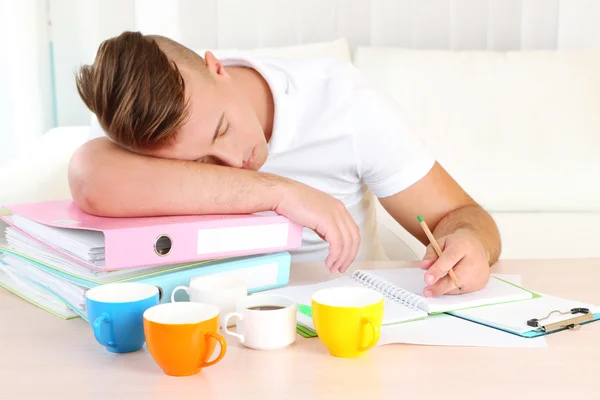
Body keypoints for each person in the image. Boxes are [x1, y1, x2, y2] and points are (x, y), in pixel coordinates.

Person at [69, 31, 501, 298]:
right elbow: (90, 178)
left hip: (343, 323)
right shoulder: (139, 123)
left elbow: (462, 216)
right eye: (200, 162)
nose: (234, 163)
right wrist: (282, 193)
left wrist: (469, 244)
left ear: (215, 66)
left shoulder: (343, 100)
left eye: (222, 131)